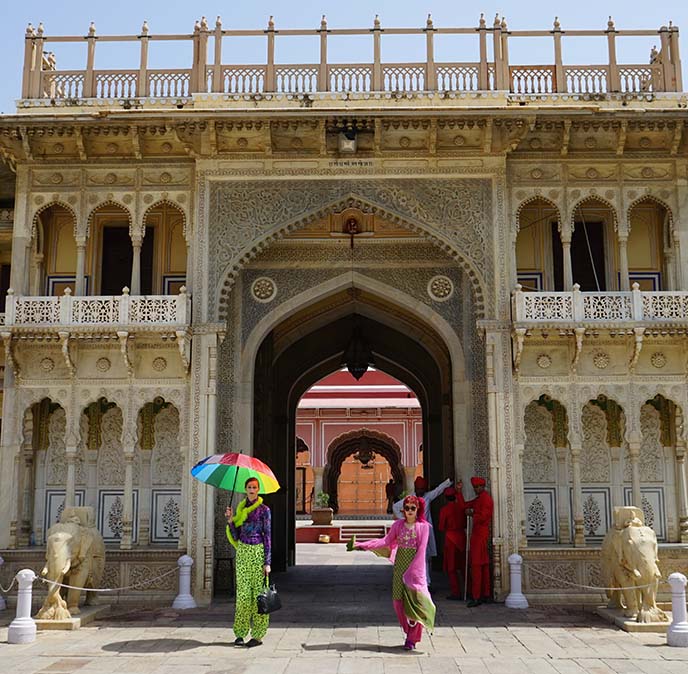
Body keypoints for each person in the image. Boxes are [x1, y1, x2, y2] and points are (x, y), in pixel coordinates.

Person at [350, 494, 436, 650]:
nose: (410, 511)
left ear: (417, 510)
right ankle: (408, 630)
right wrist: (362, 544)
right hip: (399, 568)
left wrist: (414, 572)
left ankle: (412, 639)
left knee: (415, 604)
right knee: (398, 603)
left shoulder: (423, 527)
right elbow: (385, 541)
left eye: (413, 508)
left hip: (415, 570)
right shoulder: (398, 525)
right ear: (403, 510)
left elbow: (422, 550)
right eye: (407, 508)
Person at [225, 477, 272, 647]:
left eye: (254, 487)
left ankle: (258, 635)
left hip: (258, 552)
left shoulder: (264, 510)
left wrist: (267, 561)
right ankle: (240, 633)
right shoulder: (241, 510)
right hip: (243, 552)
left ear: (258, 490)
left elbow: (267, 536)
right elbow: (236, 536)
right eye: (249, 487)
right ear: (245, 489)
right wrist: (231, 520)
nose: (252, 490)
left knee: (258, 596)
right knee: (243, 595)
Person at [393, 475, 452, 585]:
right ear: (415, 489)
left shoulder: (427, 497)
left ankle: (425, 582)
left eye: (422, 489)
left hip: (425, 533)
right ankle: (422, 583)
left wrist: (449, 481)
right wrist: (407, 520)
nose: (420, 491)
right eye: (418, 489)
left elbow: (438, 490)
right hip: (415, 533)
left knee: (426, 558)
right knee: (420, 558)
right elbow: (396, 507)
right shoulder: (410, 499)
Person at [464, 476, 493, 607]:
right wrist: (459, 493)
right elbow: (466, 505)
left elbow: (483, 516)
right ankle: (485, 594)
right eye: (475, 487)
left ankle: (477, 596)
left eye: (477, 487)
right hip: (478, 535)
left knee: (477, 566)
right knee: (483, 566)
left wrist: (472, 513)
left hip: (480, 536)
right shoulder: (480, 499)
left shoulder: (485, 499)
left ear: (482, 487)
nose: (476, 489)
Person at [438, 481, 467, 600]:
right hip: (462, 537)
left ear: (445, 498)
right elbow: (465, 523)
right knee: (464, 566)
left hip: (450, 539)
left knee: (452, 567)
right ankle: (467, 590)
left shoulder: (444, 510)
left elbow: (440, 527)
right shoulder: (461, 507)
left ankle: (456, 592)